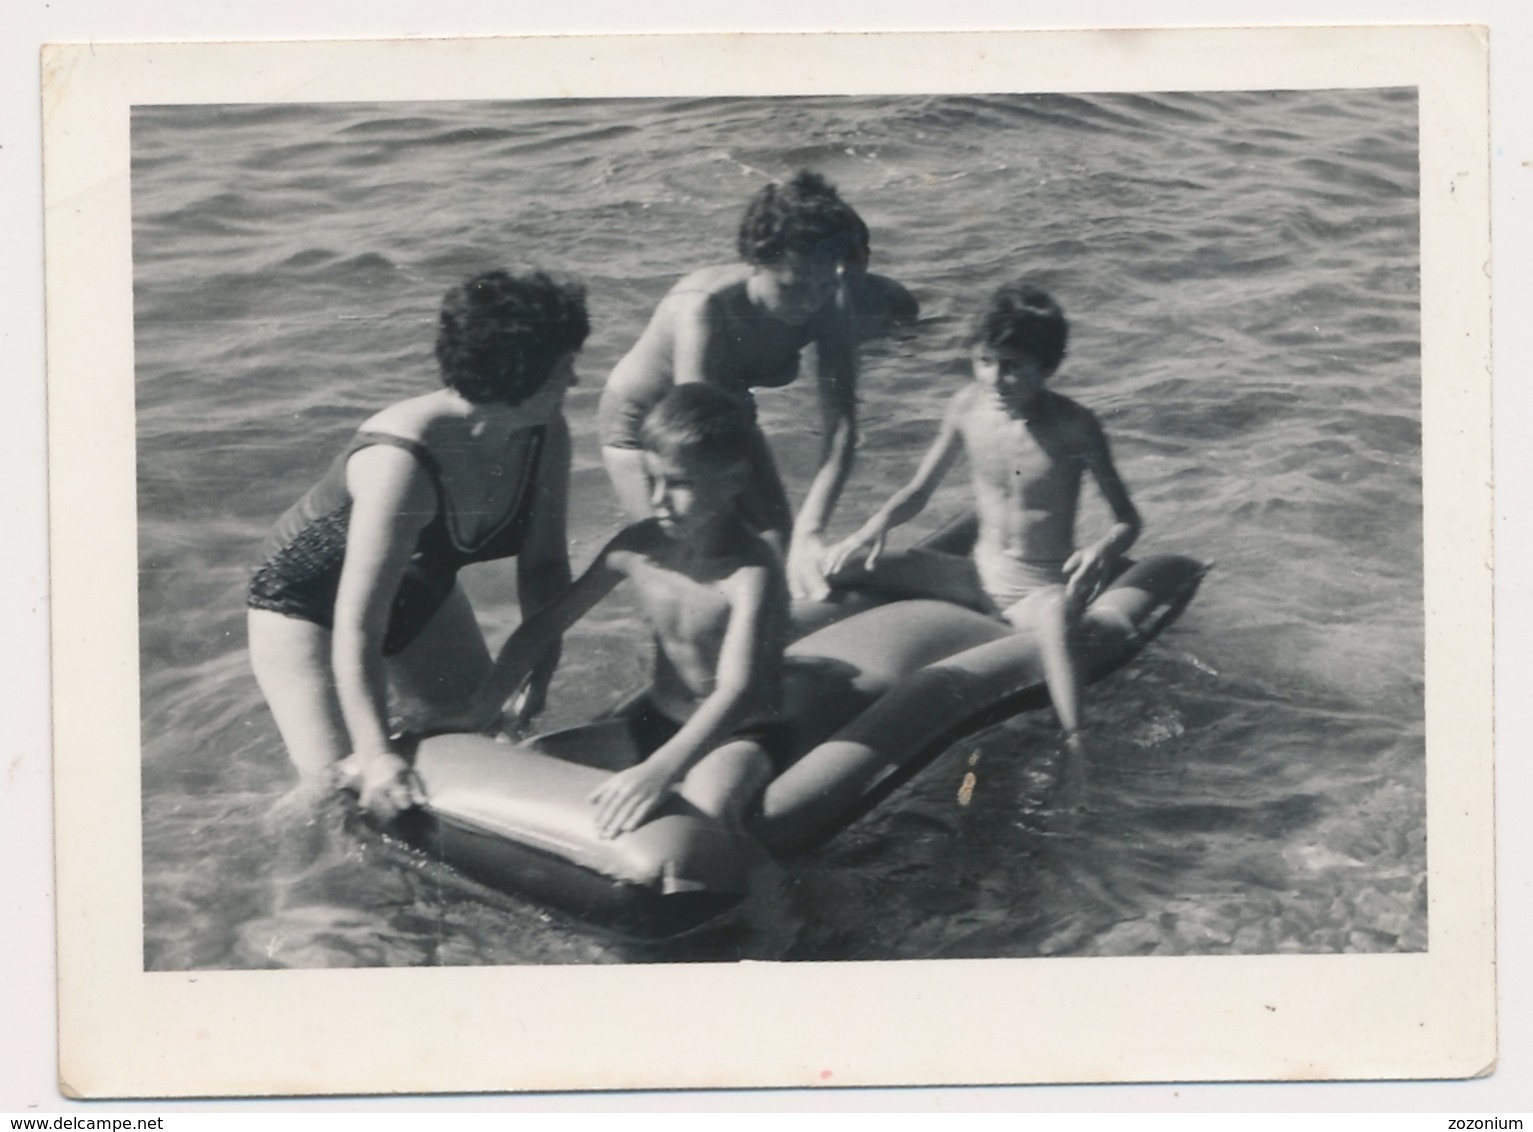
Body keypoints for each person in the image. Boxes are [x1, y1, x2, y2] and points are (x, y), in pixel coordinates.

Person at [246, 269, 589, 819]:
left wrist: (537, 676)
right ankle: (274, 868)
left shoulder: (545, 433)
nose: (573, 382)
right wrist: (379, 754)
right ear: (515, 376)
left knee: (489, 732)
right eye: (563, 368)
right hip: (306, 607)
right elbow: (360, 624)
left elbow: (545, 568)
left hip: (418, 588)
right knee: (343, 794)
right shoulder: (401, 460)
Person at [822, 282, 1141, 796]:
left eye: (1013, 365)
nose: (996, 377)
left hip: (1038, 591)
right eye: (985, 361)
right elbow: (918, 489)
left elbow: (1128, 519)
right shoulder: (967, 406)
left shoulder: (1075, 427)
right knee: (838, 565)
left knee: (1059, 614)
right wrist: (871, 527)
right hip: (973, 577)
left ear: (1047, 366)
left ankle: (1077, 742)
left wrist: (1102, 548)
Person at [448, 383, 791, 838]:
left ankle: (776, 904)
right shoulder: (639, 548)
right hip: (657, 719)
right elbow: (545, 625)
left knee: (706, 819)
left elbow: (736, 691)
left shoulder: (751, 573)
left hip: (739, 735)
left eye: (681, 483)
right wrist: (481, 711)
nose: (659, 500)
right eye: (652, 480)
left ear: (734, 481)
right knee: (530, 761)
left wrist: (659, 770)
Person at [597, 170, 917, 602]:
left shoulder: (827, 297)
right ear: (755, 260)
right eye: (792, 286)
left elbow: (841, 430)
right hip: (646, 424)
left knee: (781, 546)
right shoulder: (705, 311)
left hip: (725, 411)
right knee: (689, 565)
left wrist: (811, 530)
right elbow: (697, 449)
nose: (809, 301)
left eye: (823, 285)